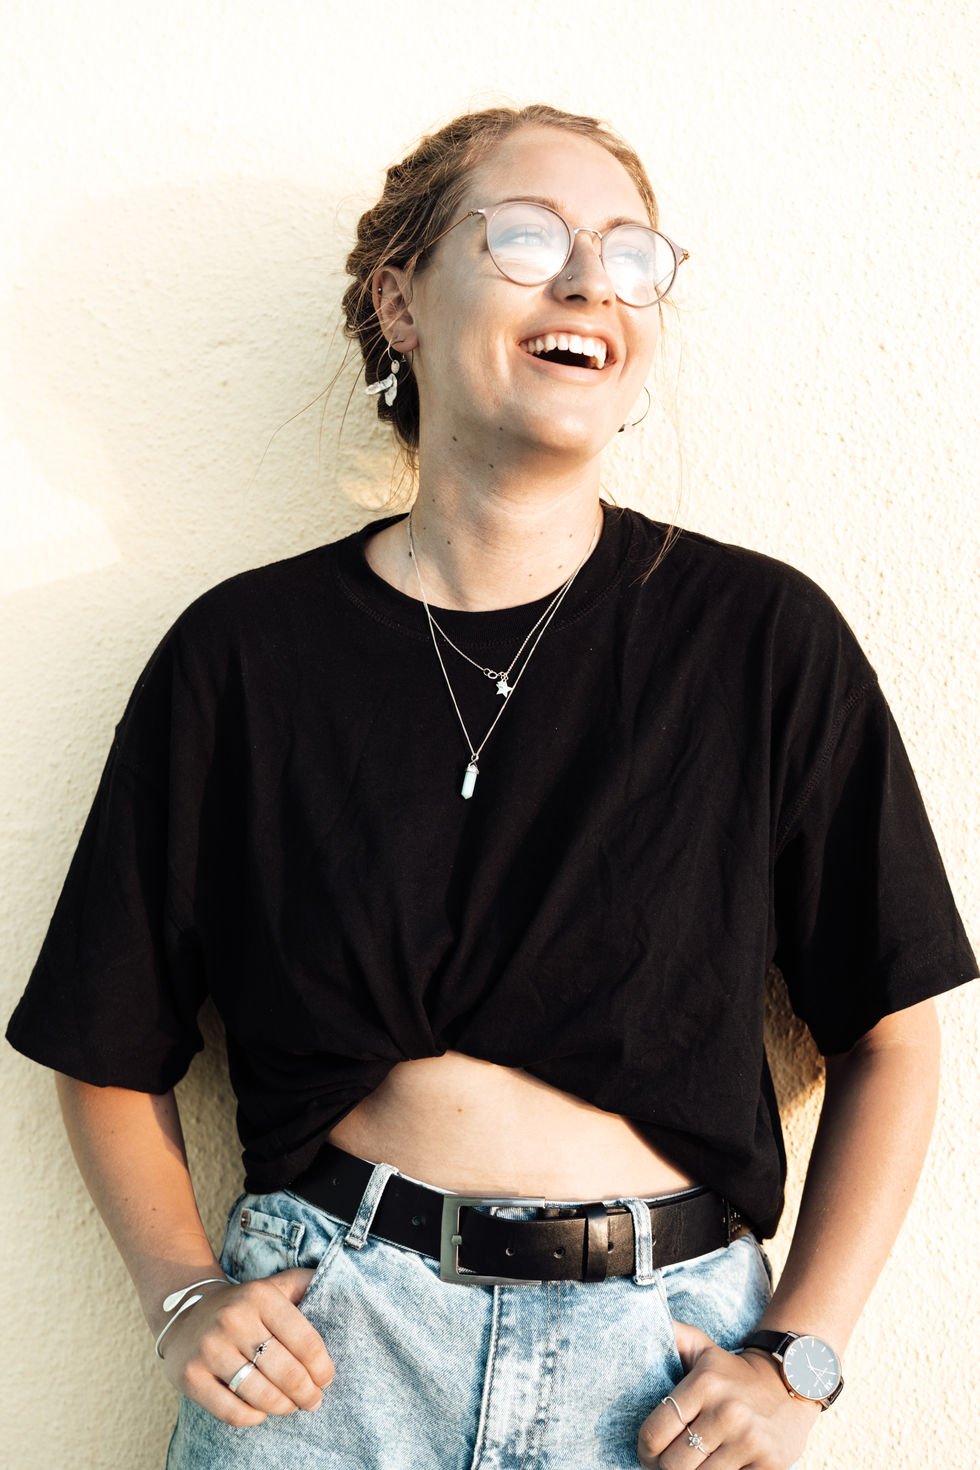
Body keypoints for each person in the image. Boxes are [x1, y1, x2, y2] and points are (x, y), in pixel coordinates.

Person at [7, 103, 976, 1470]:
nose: (589, 282)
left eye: (630, 255)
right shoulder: (243, 655)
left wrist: (799, 1357)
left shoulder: (761, 639)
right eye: (526, 237)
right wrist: (179, 1295)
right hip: (327, 1360)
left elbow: (894, 1032)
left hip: (663, 1378)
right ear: (399, 301)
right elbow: (103, 1042)